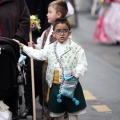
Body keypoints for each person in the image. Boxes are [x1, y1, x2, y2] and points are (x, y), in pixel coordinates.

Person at [17, 18, 88, 120]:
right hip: (55, 86)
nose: (62, 34)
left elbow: (83, 64)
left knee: (73, 113)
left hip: (71, 85)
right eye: (58, 31)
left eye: (65, 31)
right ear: (53, 34)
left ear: (70, 32)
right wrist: (24, 47)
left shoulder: (77, 49)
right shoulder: (50, 48)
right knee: (57, 113)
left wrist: (76, 71)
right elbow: (39, 54)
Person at [26, 1, 68, 119]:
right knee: (46, 97)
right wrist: (33, 46)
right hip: (46, 67)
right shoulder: (47, 31)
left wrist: (28, 50)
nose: (46, 14)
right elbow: (42, 46)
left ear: (58, 15)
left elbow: (46, 52)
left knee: (58, 96)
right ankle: (46, 116)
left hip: (58, 69)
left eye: (50, 12)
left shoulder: (62, 31)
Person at [0, 0, 30, 119]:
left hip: (10, 47)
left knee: (9, 77)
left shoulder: (18, 2)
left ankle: (11, 110)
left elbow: (25, 20)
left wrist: (18, 38)